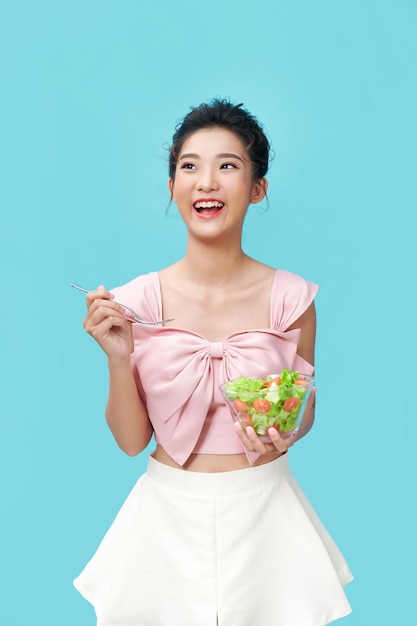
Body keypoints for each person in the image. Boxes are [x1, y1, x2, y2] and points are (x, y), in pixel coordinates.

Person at [73, 98, 353, 626]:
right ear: (173, 187)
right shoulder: (135, 302)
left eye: (227, 165)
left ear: (257, 188)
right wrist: (118, 358)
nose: (206, 181)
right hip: (165, 521)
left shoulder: (293, 298)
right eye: (189, 166)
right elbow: (133, 442)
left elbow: (304, 404)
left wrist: (286, 429)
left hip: (268, 513)